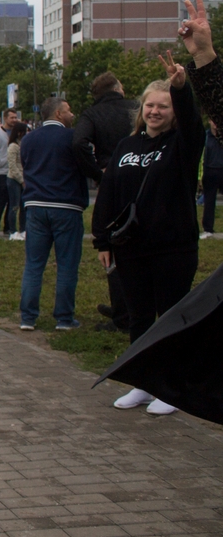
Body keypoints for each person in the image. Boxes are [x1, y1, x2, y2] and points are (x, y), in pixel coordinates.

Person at [93, 59, 204, 416]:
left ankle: (170, 387)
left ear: (174, 112)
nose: (155, 111)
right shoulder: (127, 146)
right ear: (141, 108)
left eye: (163, 106)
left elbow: (193, 124)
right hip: (131, 249)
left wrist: (181, 88)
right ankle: (143, 382)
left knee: (171, 316)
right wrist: (103, 241)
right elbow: (108, 193)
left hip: (173, 248)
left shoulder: (183, 146)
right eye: (150, 105)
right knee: (139, 317)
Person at [73, 71, 141, 332]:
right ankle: (133, 308)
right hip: (143, 173)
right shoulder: (135, 107)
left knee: (113, 242)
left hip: (111, 181)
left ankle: (122, 313)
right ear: (118, 88)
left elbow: (79, 142)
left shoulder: (92, 114)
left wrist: (95, 172)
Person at [18, 97, 87, 332]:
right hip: (66, 205)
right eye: (68, 111)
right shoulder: (72, 137)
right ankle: (64, 318)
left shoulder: (28, 140)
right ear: (58, 114)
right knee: (67, 264)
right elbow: (84, 166)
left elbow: (26, 167)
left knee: (34, 264)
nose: (72, 115)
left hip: (36, 206)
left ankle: (28, 317)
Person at [5, 122, 29, 241]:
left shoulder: (21, 145)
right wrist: (21, 180)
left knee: (23, 206)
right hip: (14, 180)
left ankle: (23, 229)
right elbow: (12, 166)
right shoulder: (13, 146)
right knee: (14, 207)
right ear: (19, 133)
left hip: (22, 178)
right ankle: (13, 231)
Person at [201, 121, 223, 238]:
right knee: (209, 201)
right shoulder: (205, 137)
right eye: (214, 121)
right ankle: (208, 229)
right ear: (210, 121)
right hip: (209, 171)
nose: (216, 124)